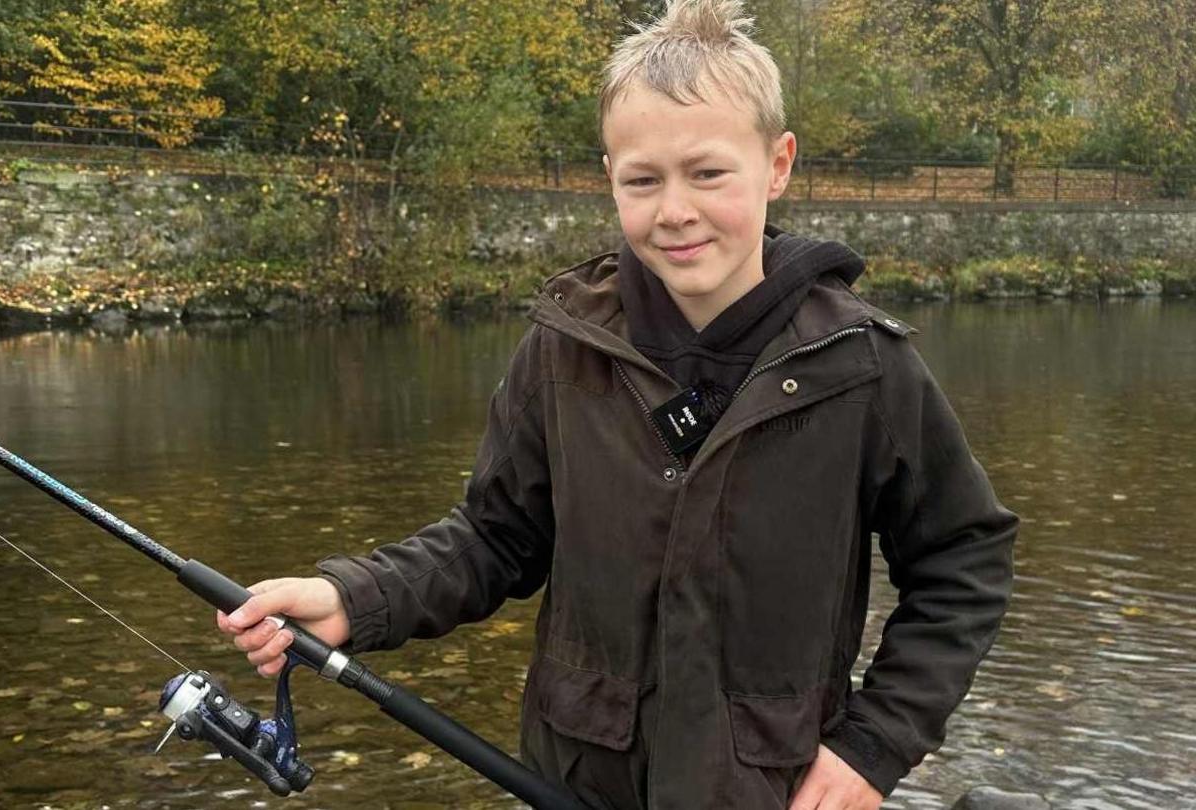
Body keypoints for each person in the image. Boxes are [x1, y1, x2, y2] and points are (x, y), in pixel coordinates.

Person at [215, 1, 1018, 808]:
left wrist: (872, 747)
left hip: (769, 789)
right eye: (643, 180)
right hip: (580, 780)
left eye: (708, 173)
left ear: (777, 165)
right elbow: (495, 540)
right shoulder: (564, 348)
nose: (675, 210)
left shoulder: (863, 365)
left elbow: (963, 558)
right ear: (610, 178)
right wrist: (354, 598)